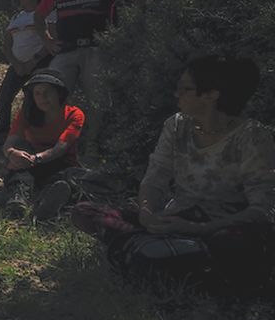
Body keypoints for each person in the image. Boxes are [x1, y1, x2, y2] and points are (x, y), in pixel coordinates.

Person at [72, 56, 274, 294]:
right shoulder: (177, 126)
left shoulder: (251, 136)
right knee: (85, 211)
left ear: (211, 95)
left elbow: (262, 210)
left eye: (185, 88)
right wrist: (147, 214)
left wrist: (198, 228)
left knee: (233, 243)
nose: (177, 94)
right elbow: (155, 177)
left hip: (219, 228)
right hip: (175, 219)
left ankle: (154, 254)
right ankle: (161, 253)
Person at [35, 0, 151, 146]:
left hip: (98, 48)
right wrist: (47, 39)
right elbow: (39, 15)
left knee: (98, 101)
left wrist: (131, 33)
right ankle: (52, 142)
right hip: (66, 49)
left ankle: (94, 146)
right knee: (49, 92)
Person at [1, 69, 85, 219]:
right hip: (30, 161)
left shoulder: (74, 114)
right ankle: (18, 198)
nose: (42, 98)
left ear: (59, 93)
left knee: (67, 179)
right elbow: (10, 143)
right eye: (37, 93)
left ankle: (46, 203)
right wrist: (12, 153)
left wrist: (36, 159)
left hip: (59, 162)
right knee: (19, 160)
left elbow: (60, 148)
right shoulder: (27, 113)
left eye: (47, 92)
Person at [0, 0, 57, 144]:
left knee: (34, 99)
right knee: (4, 97)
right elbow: (7, 44)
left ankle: (34, 135)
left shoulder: (47, 14)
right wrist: (15, 63)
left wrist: (33, 60)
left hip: (41, 63)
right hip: (17, 65)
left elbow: (51, 40)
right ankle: (1, 135)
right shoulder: (17, 17)